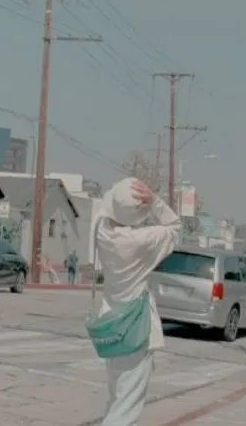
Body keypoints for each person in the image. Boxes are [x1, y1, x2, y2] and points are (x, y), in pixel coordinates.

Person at [94, 177, 180, 426]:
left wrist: (128, 200)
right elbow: (175, 227)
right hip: (136, 327)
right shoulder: (141, 240)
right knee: (127, 406)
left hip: (112, 322)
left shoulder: (101, 230)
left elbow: (107, 204)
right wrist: (154, 202)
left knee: (117, 396)